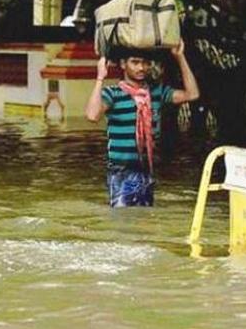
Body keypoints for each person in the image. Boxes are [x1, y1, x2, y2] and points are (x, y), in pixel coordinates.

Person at [85, 40, 200, 207]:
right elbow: (92, 115)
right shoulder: (113, 94)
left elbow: (192, 94)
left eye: (145, 63)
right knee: (124, 221)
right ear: (123, 64)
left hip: (146, 168)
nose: (141, 68)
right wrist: (100, 77)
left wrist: (180, 57)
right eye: (135, 62)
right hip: (121, 169)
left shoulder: (156, 92)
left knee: (144, 219)